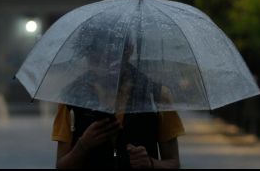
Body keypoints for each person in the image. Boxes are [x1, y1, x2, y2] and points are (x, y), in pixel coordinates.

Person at [52, 38, 184, 169]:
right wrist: (83, 146)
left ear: (128, 51)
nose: (100, 65)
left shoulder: (156, 95)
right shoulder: (71, 98)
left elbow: (173, 163)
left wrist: (150, 163)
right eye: (93, 58)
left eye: (109, 56)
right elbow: (61, 165)